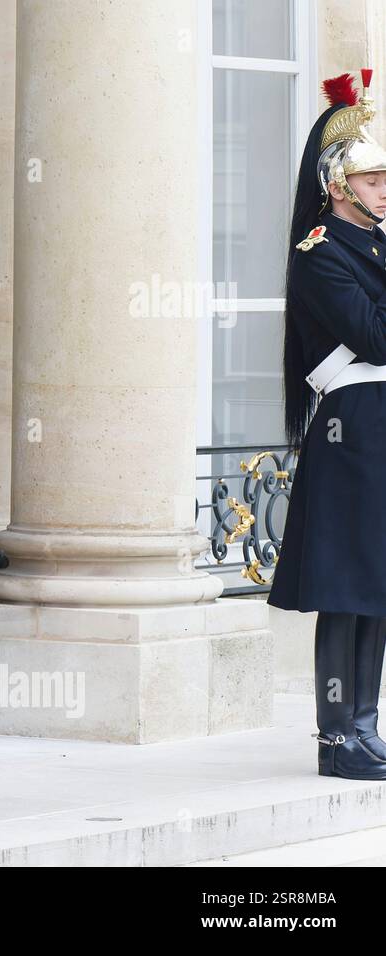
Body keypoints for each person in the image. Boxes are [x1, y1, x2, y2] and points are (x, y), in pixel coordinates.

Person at [269, 71, 386, 780]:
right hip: (352, 428)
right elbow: (375, 340)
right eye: (373, 180)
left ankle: (367, 724)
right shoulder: (320, 253)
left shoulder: (376, 248)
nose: (384, 190)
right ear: (339, 186)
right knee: (346, 589)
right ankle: (336, 736)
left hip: (381, 423)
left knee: (378, 585)